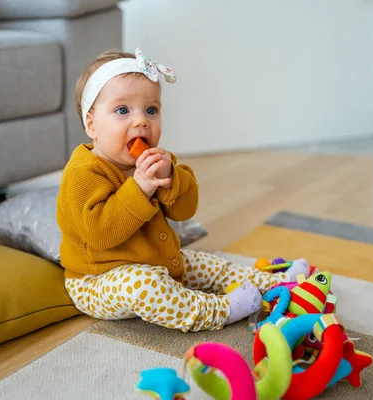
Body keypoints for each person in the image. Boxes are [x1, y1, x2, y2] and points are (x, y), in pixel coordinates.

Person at [57, 48, 310, 332]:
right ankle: (219, 310)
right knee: (147, 286)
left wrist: (171, 176)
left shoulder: (154, 160)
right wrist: (139, 188)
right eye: (122, 110)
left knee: (208, 264)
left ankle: (277, 283)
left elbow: (184, 211)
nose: (141, 121)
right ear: (91, 124)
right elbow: (100, 234)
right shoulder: (83, 173)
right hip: (100, 279)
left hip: (155, 260)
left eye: (151, 110)